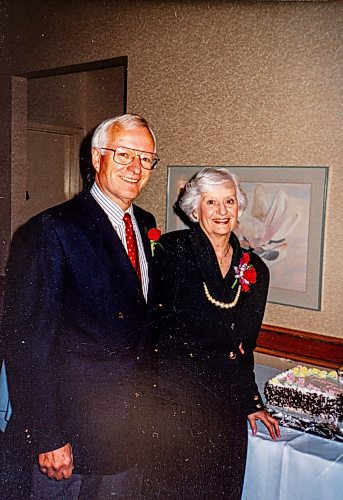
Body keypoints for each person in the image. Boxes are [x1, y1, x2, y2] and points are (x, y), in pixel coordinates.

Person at [0, 114, 160, 499]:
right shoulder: (50, 230)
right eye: (124, 155)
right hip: (68, 437)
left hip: (127, 431)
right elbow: (27, 343)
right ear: (96, 158)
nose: (135, 168)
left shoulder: (146, 223)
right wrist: (47, 435)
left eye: (146, 158)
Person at [146, 167, 280, 499]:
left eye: (229, 201)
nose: (222, 211)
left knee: (221, 488)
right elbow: (149, 328)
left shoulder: (254, 269)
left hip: (225, 406)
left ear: (239, 208)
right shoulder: (171, 252)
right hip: (177, 402)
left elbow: (242, 347)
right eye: (211, 202)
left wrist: (251, 401)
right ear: (195, 209)